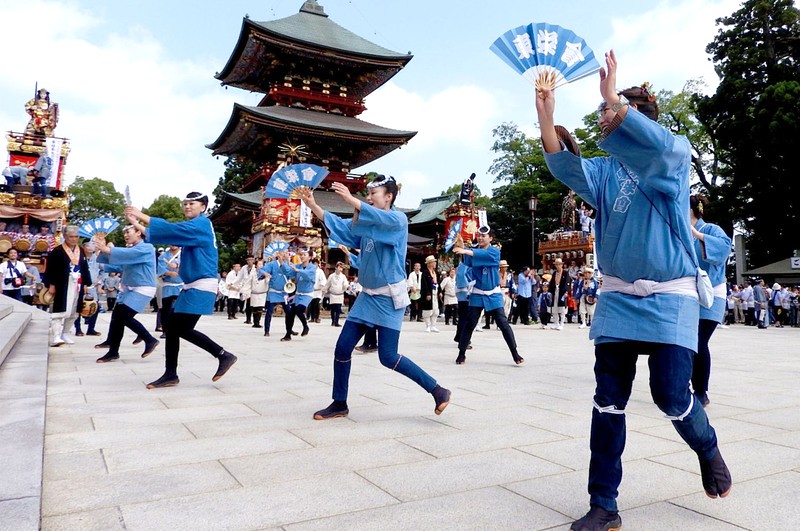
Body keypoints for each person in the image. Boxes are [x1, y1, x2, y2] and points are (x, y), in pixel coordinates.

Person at [537, 50, 731, 530]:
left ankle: (707, 447)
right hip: (619, 296)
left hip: (670, 295)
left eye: (614, 113)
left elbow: (662, 148)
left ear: (638, 122)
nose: (605, 118)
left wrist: (611, 97)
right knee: (608, 402)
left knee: (669, 394)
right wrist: (546, 115)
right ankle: (604, 502)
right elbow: (564, 166)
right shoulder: (604, 171)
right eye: (606, 112)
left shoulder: (672, 159)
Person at [299, 176, 451, 420]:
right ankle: (339, 403)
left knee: (388, 356)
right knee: (342, 347)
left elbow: (382, 219)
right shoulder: (367, 226)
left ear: (389, 196)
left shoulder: (398, 220)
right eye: (367, 194)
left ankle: (437, 390)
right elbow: (344, 229)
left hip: (389, 298)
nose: (368, 197)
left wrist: (351, 199)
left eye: (374, 193)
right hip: (367, 297)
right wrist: (314, 206)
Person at [126, 192, 238, 389]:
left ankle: (223, 355)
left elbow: (172, 230)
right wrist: (136, 223)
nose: (187, 206)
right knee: (172, 328)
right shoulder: (196, 228)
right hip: (191, 286)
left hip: (202, 285)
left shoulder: (202, 224)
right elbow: (171, 234)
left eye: (192, 203)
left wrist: (141, 215)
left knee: (180, 328)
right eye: (185, 203)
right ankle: (171, 374)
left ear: (203, 207)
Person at [453, 226, 524, 366]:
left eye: (483, 236)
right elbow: (467, 260)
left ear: (490, 238)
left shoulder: (494, 252)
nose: (480, 238)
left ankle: (515, 352)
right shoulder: (473, 251)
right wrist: (461, 246)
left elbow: (480, 255)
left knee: (503, 324)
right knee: (469, 324)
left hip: (493, 293)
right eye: (479, 236)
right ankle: (461, 353)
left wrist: (465, 250)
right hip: (478, 293)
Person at [689, 195, 732, 407]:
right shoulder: (678, 230)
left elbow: (724, 249)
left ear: (692, 209)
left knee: (699, 340)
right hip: (687, 292)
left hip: (711, 292)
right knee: (683, 341)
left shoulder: (712, 229)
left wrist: (697, 235)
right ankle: (681, 385)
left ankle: (701, 391)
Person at [94, 226, 160, 362]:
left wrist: (107, 249)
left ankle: (149, 339)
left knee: (123, 317)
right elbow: (117, 265)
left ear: (138, 233)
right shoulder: (131, 250)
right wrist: (101, 251)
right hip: (129, 289)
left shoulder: (147, 248)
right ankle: (113, 350)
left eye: (127, 232)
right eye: (124, 232)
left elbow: (127, 255)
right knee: (117, 317)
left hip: (143, 287)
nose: (125, 235)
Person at [44, 226, 91, 346]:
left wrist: (86, 283)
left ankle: (65, 333)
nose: (74, 239)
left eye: (76, 237)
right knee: (60, 310)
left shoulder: (80, 250)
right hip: (62, 284)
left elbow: (85, 268)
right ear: (65, 236)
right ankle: (56, 336)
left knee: (74, 311)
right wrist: (51, 284)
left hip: (77, 284)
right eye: (71, 236)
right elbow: (51, 270)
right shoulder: (57, 251)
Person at [280, 249, 315, 341]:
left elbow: (308, 276)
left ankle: (305, 326)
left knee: (299, 309)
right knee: (290, 314)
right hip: (298, 293)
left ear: (310, 257)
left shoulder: (312, 268)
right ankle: (288, 334)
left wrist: (298, 271)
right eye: (301, 254)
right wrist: (283, 261)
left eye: (305, 254)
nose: (302, 256)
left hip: (307, 294)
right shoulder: (298, 266)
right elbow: (288, 271)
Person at [260, 250, 291, 337]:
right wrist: (265, 273)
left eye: (286, 253)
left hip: (284, 292)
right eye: (283, 253)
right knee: (269, 311)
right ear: (278, 255)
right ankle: (267, 330)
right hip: (274, 291)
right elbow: (261, 270)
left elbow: (292, 274)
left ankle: (289, 329)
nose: (284, 255)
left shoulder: (288, 264)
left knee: (288, 312)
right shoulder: (272, 264)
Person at [157, 245, 183, 340]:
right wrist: (169, 273)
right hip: (167, 285)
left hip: (180, 284)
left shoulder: (184, 254)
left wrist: (177, 266)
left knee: (178, 308)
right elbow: (161, 269)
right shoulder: (163, 256)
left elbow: (190, 265)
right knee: (165, 309)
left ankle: (178, 329)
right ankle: (165, 330)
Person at [548, 258, 571, 330]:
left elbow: (568, 283)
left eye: (559, 264)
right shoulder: (554, 273)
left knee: (562, 308)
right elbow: (551, 283)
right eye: (556, 264)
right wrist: (551, 292)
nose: (558, 266)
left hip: (562, 292)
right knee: (554, 308)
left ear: (562, 265)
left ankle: (562, 323)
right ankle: (556, 323)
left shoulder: (565, 273)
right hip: (555, 291)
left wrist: (566, 292)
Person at [324, 262, 348, 327]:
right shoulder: (331, 276)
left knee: (338, 308)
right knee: (333, 308)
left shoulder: (343, 276)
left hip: (340, 294)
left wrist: (347, 287)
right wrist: (324, 290)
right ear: (336, 267)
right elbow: (328, 284)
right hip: (332, 294)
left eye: (342, 268)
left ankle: (336, 322)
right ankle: (333, 321)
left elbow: (345, 284)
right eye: (339, 267)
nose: (340, 269)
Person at [420, 255, 440, 332]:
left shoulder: (435, 272)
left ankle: (433, 325)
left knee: (435, 310)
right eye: (434, 262)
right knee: (428, 310)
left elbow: (438, 282)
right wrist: (427, 293)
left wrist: (440, 291)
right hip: (428, 293)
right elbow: (424, 284)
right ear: (430, 263)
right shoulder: (425, 272)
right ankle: (428, 325)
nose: (435, 263)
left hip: (435, 291)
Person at [239, 255, 258, 324]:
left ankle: (256, 320)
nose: (250, 261)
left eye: (251, 260)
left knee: (254, 305)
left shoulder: (256, 268)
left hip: (254, 288)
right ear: (246, 260)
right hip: (246, 288)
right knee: (248, 304)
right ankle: (248, 319)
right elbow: (239, 277)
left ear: (254, 260)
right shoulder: (244, 268)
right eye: (248, 260)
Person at [307, 257, 326, 323]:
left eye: (316, 263)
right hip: (311, 290)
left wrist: (321, 285)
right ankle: (312, 318)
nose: (315, 265)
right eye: (314, 263)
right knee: (311, 304)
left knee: (316, 304)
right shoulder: (310, 271)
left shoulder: (320, 271)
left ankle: (317, 317)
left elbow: (323, 279)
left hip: (318, 291)